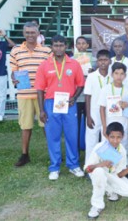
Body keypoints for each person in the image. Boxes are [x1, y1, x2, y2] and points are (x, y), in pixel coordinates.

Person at [35, 35, 85, 180]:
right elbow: (39, 89)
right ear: (51, 47)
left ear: (66, 46)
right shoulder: (44, 65)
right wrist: (42, 110)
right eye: (55, 45)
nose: (58, 48)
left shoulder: (74, 64)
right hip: (51, 103)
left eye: (61, 45)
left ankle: (73, 165)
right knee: (53, 136)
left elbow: (81, 84)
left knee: (71, 135)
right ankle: (54, 167)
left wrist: (74, 98)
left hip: (68, 104)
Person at [9, 21, 51, 167]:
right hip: (24, 94)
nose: (30, 35)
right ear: (23, 33)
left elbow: (51, 71)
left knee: (47, 125)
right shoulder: (15, 51)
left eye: (33, 32)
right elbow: (13, 71)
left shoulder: (46, 51)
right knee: (25, 126)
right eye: (27, 32)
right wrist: (13, 77)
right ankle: (25, 154)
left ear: (38, 33)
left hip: (43, 95)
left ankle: (53, 153)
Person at [85, 122, 128, 219]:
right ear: (106, 136)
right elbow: (88, 169)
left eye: (118, 137)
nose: (115, 140)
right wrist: (101, 164)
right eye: (112, 137)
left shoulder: (122, 151)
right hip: (97, 174)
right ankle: (97, 205)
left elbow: (119, 175)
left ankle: (109, 189)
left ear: (123, 136)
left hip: (112, 176)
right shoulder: (99, 147)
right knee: (99, 171)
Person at [84, 50, 112, 164]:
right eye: (100, 60)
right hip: (94, 112)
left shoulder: (113, 76)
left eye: (105, 60)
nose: (103, 63)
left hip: (109, 112)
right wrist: (88, 116)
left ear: (110, 61)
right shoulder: (91, 76)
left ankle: (106, 164)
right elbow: (87, 97)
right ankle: (89, 166)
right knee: (91, 140)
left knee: (107, 140)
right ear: (97, 61)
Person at [99, 62, 128, 153]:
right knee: (107, 149)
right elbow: (102, 108)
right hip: (108, 124)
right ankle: (106, 167)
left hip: (123, 124)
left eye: (121, 74)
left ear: (125, 76)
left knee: (121, 149)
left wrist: (126, 106)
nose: (119, 76)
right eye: (116, 73)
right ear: (112, 74)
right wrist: (104, 127)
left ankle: (121, 167)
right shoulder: (106, 89)